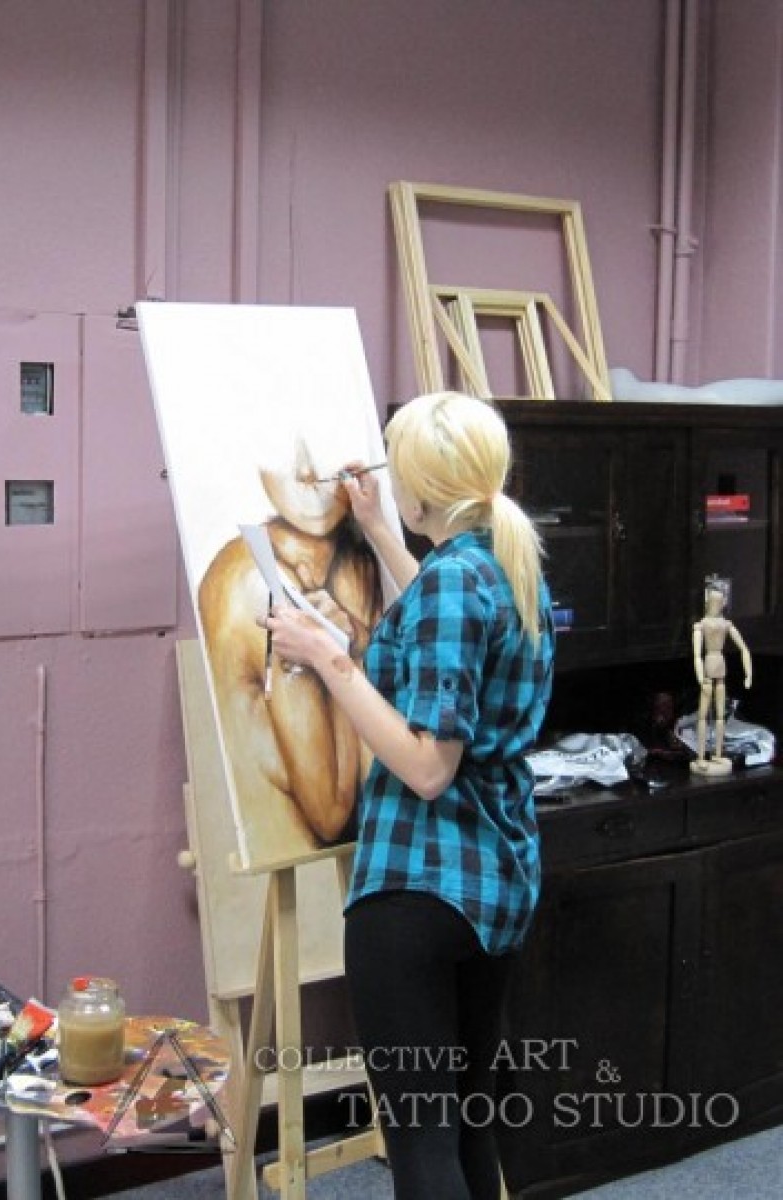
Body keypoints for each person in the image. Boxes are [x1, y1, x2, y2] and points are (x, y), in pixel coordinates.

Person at [262, 391, 555, 1200]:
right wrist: (381, 529)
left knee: (421, 1143)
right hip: (493, 876)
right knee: (465, 1123)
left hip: (423, 884)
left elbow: (428, 768)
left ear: (423, 488)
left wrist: (328, 658)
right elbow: (444, 625)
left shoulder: (454, 583)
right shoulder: (500, 561)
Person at [198, 438, 382, 854]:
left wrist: (351, 645)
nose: (307, 471)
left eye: (324, 442)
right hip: (289, 847)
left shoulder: (357, 562)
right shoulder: (253, 580)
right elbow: (332, 814)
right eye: (282, 447)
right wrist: (340, 652)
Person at [690, 583, 752, 776]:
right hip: (709, 668)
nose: (715, 605)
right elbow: (697, 655)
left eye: (718, 601)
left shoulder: (726, 625)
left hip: (719, 669)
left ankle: (717, 753)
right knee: (703, 715)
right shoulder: (701, 625)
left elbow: (744, 648)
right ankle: (701, 755)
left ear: (723, 603)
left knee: (719, 715)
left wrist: (748, 674)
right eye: (712, 601)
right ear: (707, 602)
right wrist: (700, 677)